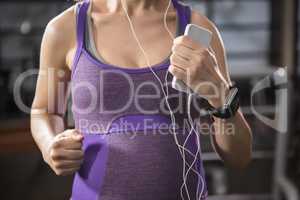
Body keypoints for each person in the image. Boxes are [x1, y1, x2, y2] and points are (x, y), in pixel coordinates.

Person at [31, 0, 252, 199]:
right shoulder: (66, 28)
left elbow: (239, 157)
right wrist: (49, 144)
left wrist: (219, 93)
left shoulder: (198, 30)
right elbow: (44, 111)